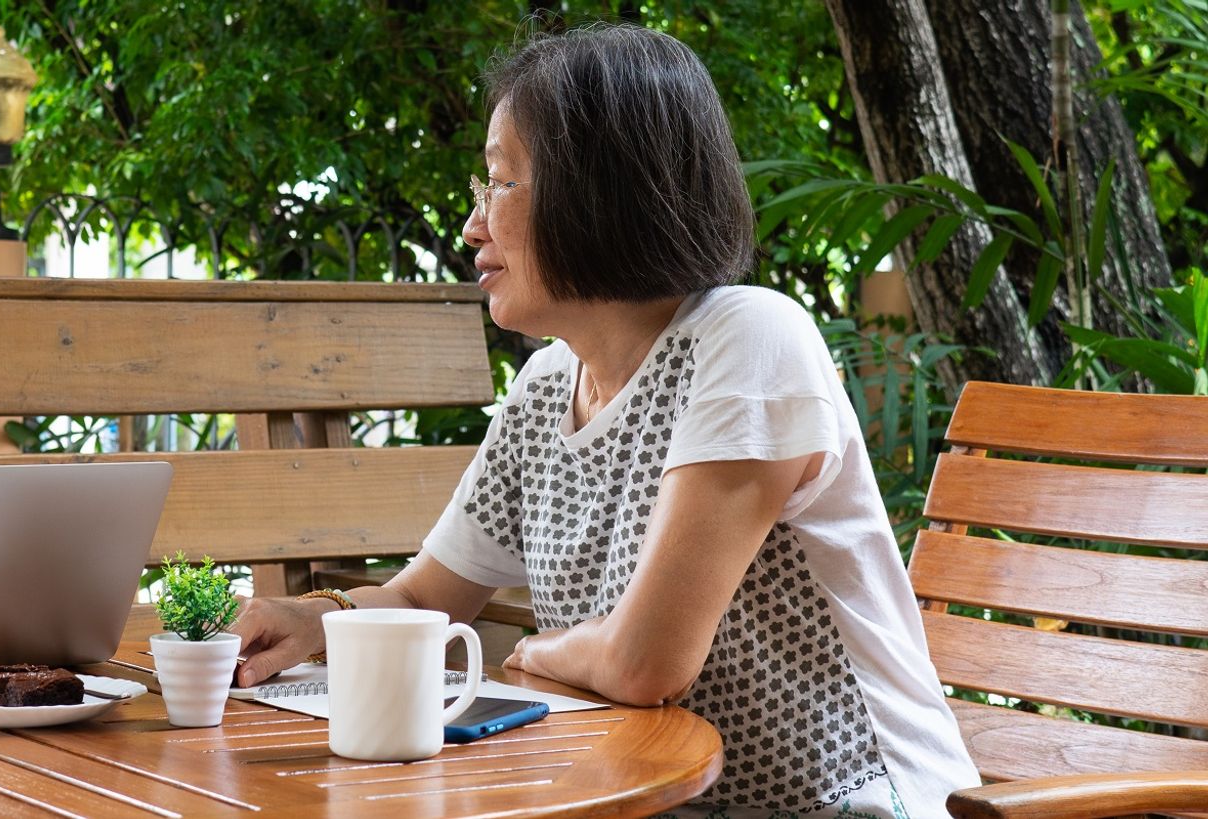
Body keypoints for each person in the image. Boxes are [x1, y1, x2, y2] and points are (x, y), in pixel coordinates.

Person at [231, 27, 978, 817]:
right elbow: (429, 596)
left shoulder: (751, 340)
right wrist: (310, 620)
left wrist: (539, 653)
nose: (472, 228)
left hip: (858, 801)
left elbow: (645, 664)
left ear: (599, 189)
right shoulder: (546, 386)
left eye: (499, 184)